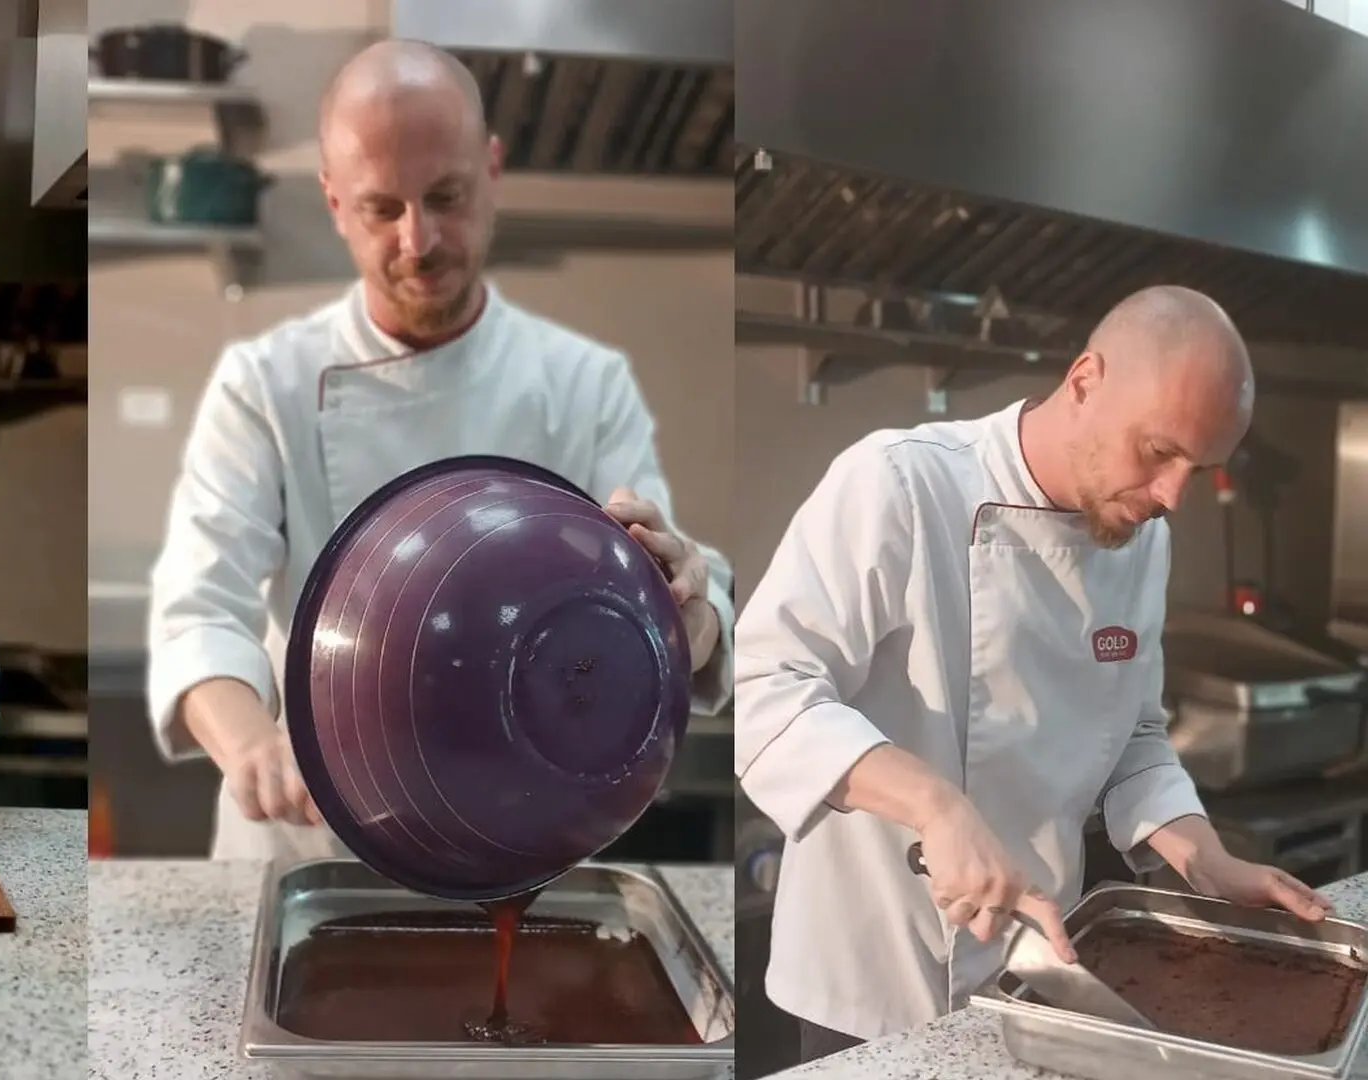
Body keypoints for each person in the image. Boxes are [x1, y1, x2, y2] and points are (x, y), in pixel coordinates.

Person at [146, 39, 734, 861]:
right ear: (334, 202)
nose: (418, 241)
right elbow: (200, 608)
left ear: (491, 169)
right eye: (382, 208)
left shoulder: (582, 382)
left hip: (521, 833)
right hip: (314, 839)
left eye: (446, 196)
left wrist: (689, 608)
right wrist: (251, 745)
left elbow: (660, 606)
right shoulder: (265, 382)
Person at [735, 284, 1332, 1061]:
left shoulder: (1140, 535)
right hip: (877, 975)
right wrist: (936, 807)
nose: (1172, 496)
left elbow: (1133, 733)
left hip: (1044, 963)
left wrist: (1205, 858)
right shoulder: (902, 484)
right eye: (1158, 452)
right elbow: (764, 687)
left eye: (1199, 466)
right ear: (1085, 381)